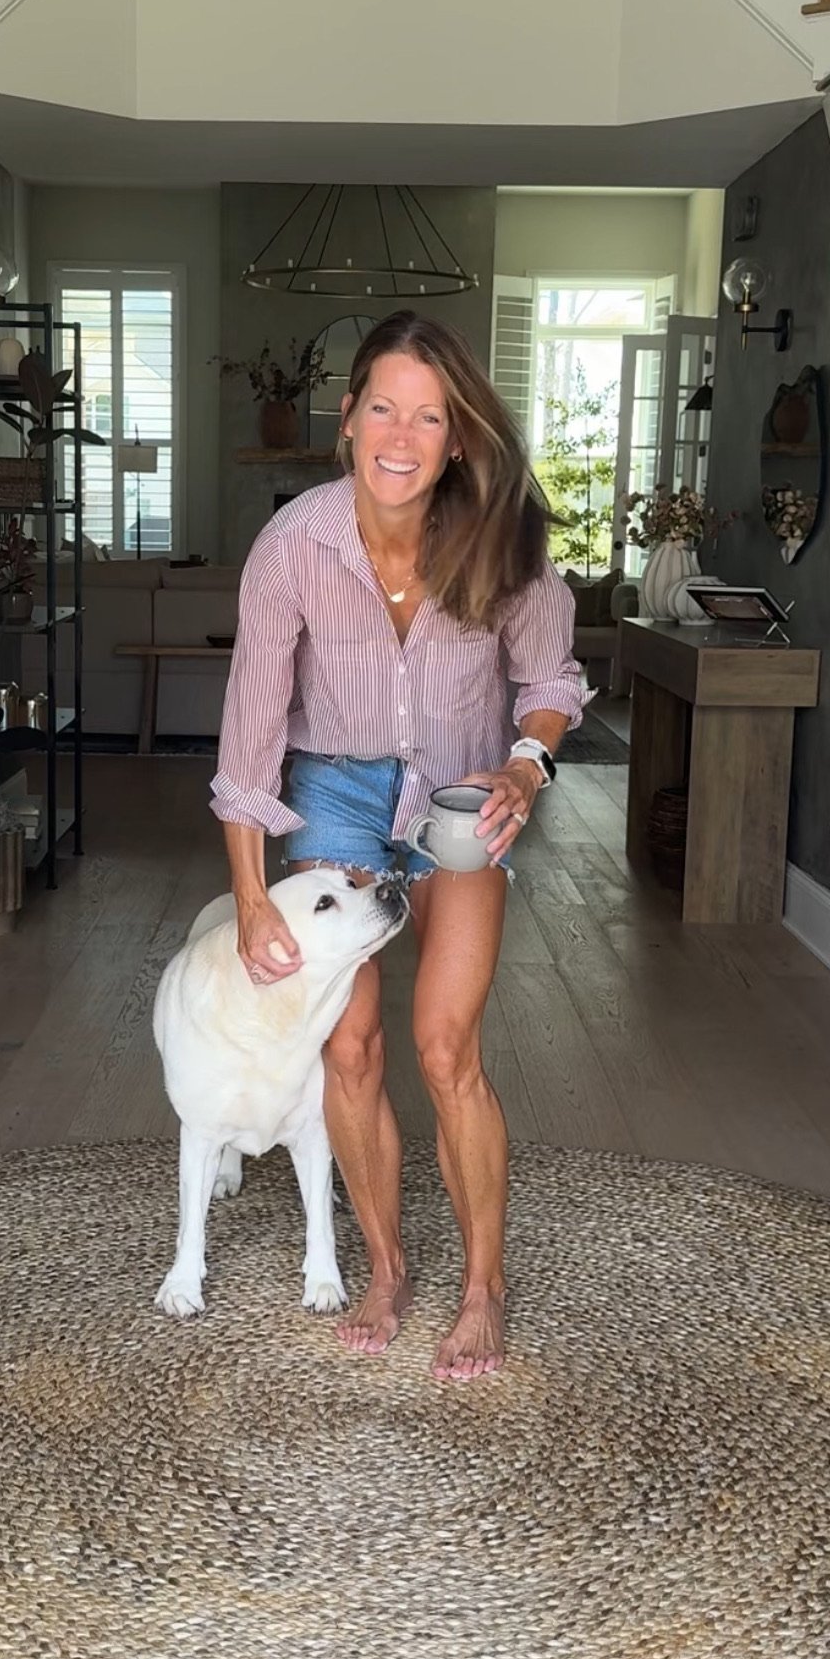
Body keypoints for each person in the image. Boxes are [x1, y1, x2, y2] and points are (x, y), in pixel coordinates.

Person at [210, 309, 591, 1380]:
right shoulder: (291, 548)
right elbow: (247, 739)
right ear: (347, 420)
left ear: (458, 438)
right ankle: (384, 1267)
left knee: (443, 1047)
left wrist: (527, 766)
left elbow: (553, 682)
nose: (401, 433)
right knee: (349, 1042)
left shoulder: (501, 542)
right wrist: (248, 897)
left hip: (464, 792)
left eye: (429, 416)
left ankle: (484, 1284)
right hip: (331, 787)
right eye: (383, 405)